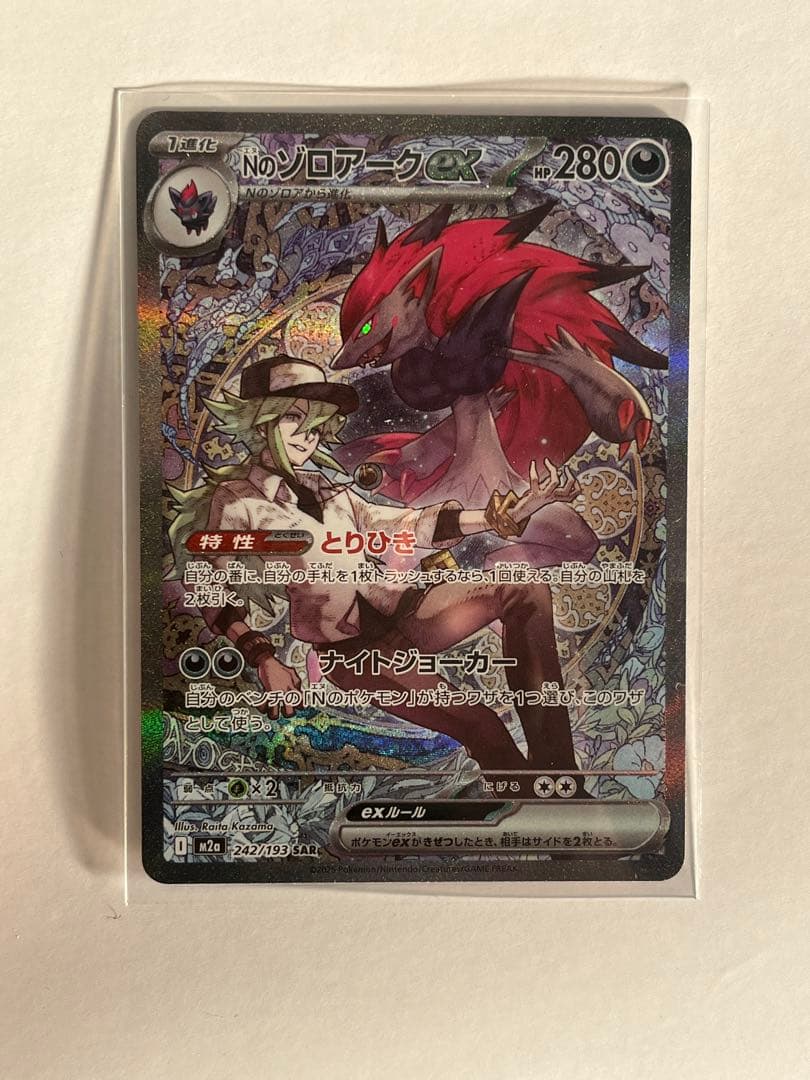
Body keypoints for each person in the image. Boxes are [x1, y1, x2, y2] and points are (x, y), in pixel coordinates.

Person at [171, 353, 581, 776]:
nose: (308, 435)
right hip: (353, 653)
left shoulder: (329, 490)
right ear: (261, 424)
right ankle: (529, 797)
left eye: (316, 423)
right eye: (294, 417)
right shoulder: (238, 503)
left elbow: (404, 523)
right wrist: (262, 658)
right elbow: (208, 584)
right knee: (482, 726)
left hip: (409, 611)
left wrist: (499, 517)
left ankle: (559, 774)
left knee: (524, 589)